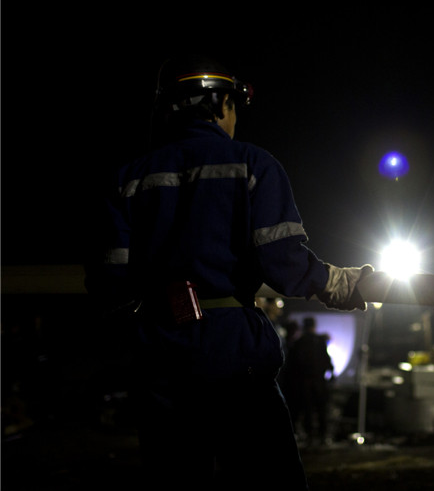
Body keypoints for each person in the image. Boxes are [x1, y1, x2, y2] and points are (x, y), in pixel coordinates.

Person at [85, 54, 372, 490]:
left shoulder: (128, 178)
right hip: (236, 359)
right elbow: (285, 265)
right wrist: (339, 283)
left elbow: (110, 284)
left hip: (161, 360)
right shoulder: (252, 164)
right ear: (221, 104)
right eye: (234, 106)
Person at [285, 316, 335, 447]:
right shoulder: (319, 341)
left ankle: (310, 436)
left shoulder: (299, 342)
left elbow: (293, 364)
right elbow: (326, 359)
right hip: (319, 381)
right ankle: (322, 436)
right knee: (321, 409)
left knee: (308, 409)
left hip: (305, 382)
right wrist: (331, 373)